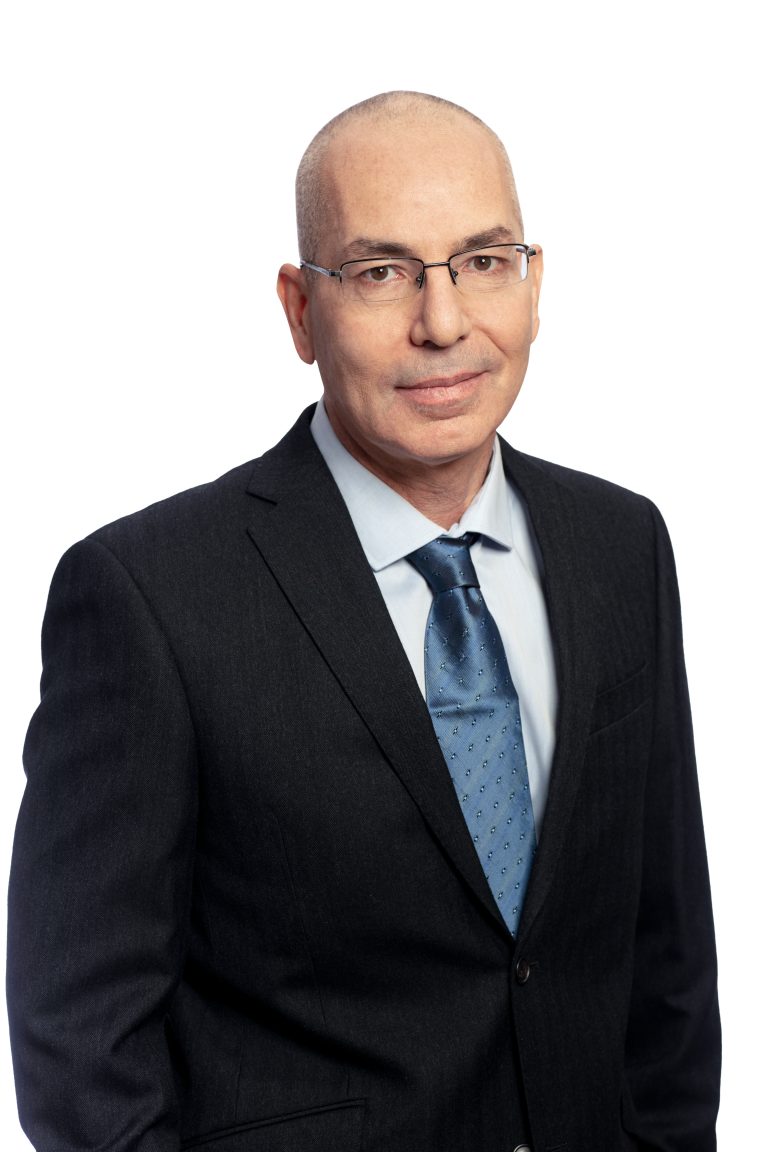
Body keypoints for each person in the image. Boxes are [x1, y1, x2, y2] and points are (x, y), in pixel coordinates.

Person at [7, 91, 720, 1152]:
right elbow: (81, 1048)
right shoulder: (149, 595)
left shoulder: (621, 545)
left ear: (535, 283)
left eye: (484, 261)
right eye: (382, 272)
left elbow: (667, 965)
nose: (444, 322)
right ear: (300, 311)